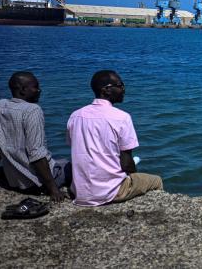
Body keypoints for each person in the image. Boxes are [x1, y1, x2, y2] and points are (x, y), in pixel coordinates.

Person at [0, 72, 70, 202]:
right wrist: (53, 189)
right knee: (70, 166)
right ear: (23, 90)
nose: (39, 90)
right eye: (35, 87)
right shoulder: (33, 110)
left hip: (14, 180)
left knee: (58, 160)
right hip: (36, 183)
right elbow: (36, 154)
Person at [67, 70, 162, 206]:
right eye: (120, 85)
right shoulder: (122, 117)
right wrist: (132, 177)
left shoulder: (75, 116)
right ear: (106, 90)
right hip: (109, 192)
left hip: (79, 191)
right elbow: (127, 163)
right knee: (156, 180)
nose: (123, 89)